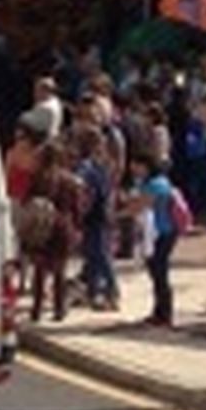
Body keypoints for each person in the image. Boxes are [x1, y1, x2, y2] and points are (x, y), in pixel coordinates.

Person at [22, 142, 83, 323]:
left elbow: (26, 200)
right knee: (60, 270)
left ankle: (36, 309)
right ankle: (59, 309)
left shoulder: (37, 178)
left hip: (41, 227)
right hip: (62, 226)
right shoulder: (70, 180)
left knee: (40, 270)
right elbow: (77, 208)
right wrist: (78, 227)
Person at [126, 155, 181, 327]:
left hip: (162, 232)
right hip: (154, 233)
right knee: (156, 272)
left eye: (136, 166)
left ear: (146, 166)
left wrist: (116, 214)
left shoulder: (156, 184)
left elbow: (139, 206)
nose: (133, 170)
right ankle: (159, 312)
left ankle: (165, 314)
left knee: (160, 273)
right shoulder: (149, 183)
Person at [71, 124, 118, 310]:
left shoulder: (87, 165)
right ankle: (92, 292)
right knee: (93, 254)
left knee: (99, 254)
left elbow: (82, 185)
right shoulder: (101, 163)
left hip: (95, 215)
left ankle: (111, 292)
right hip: (102, 212)